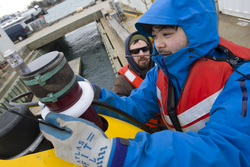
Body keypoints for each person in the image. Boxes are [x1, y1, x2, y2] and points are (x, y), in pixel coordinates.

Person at [39, 0, 250, 166]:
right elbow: (136, 107)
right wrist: (90, 94)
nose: (158, 44)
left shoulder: (241, 74)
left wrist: (114, 155)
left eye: (167, 34)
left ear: (197, 28)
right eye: (155, 36)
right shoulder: (161, 71)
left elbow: (227, 149)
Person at [113, 31, 154, 97]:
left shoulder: (163, 67)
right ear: (129, 54)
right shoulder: (121, 84)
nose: (141, 54)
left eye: (145, 49)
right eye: (135, 51)